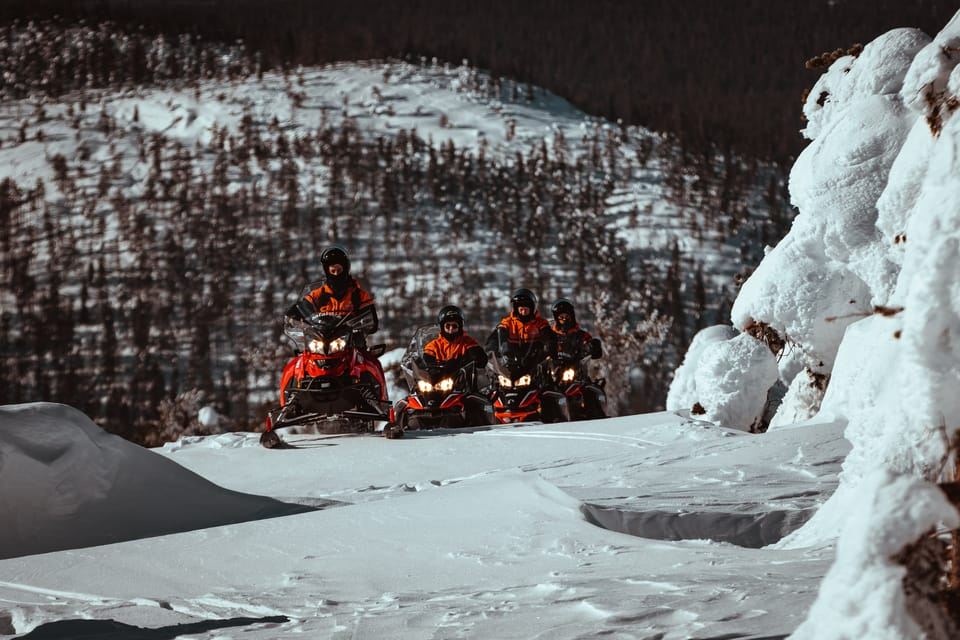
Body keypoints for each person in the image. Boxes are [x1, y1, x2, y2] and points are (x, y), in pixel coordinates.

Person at [285, 246, 379, 334]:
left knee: (361, 350)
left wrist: (364, 325)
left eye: (339, 270)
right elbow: (302, 308)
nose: (336, 274)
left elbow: (370, 318)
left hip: (350, 341)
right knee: (303, 352)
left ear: (345, 269)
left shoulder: (358, 295)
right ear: (327, 272)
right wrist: (292, 316)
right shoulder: (317, 295)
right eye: (333, 271)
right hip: (322, 340)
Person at [486, 288, 556, 359]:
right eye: (521, 309)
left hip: (535, 361)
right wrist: (492, 348)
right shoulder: (508, 323)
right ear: (516, 309)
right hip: (511, 361)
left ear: (531, 308)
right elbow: (495, 337)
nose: (523, 312)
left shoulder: (540, 323)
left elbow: (549, 336)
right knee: (501, 336)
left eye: (526, 309)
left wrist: (550, 346)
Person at [422, 305, 488, 370]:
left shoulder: (468, 343)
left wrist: (469, 359)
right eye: (447, 326)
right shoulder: (434, 346)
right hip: (439, 378)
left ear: (459, 327)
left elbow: (481, 359)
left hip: (462, 379)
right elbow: (425, 361)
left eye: (454, 326)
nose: (451, 329)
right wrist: (422, 364)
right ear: (442, 327)